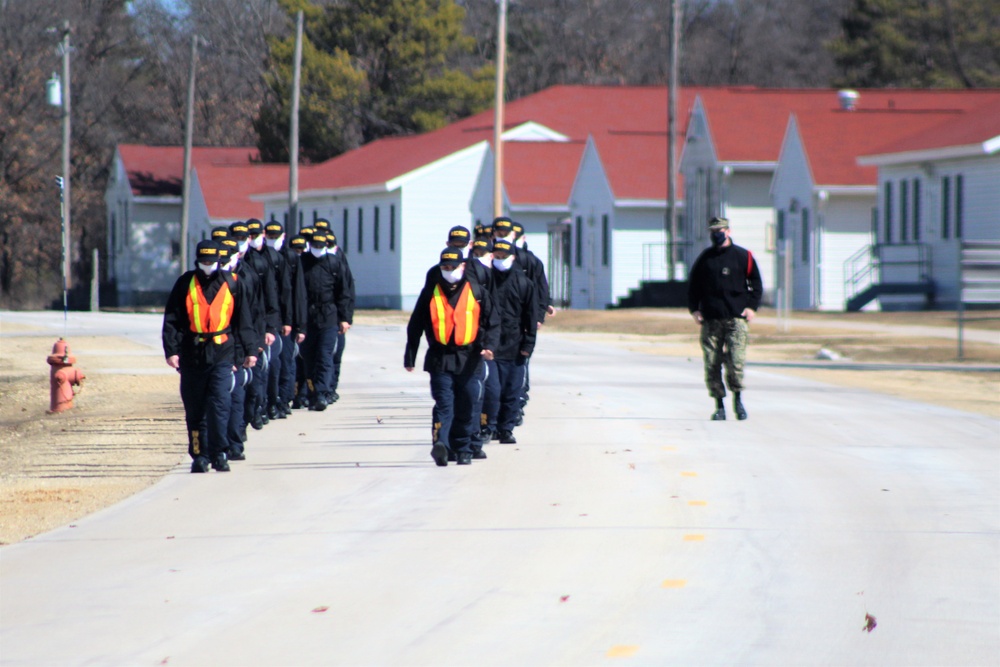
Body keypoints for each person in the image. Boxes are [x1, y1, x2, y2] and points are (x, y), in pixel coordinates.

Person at [162, 240, 256, 473]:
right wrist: (171, 351)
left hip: (222, 352)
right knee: (195, 409)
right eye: (203, 261)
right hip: (192, 353)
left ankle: (219, 453)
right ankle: (199, 455)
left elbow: (243, 321)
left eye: (211, 261)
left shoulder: (233, 283)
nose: (207, 265)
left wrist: (249, 351)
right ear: (197, 261)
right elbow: (172, 319)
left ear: (218, 261)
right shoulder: (185, 283)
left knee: (220, 405)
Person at [404, 248, 499, 466]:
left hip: (470, 358)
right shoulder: (430, 292)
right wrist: (410, 356)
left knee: (467, 403)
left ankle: (463, 448)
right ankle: (441, 444)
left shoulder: (477, 291)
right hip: (440, 357)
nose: (449, 271)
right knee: (444, 403)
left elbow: (493, 322)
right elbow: (415, 324)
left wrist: (489, 346)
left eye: (453, 267)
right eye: (445, 267)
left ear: (462, 266)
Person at [687, 216, 763, 421]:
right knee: (712, 363)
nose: (716, 235)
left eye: (720, 231)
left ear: (728, 231)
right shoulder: (705, 259)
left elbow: (756, 284)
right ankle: (719, 406)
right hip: (711, 319)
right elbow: (693, 287)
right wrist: (695, 310)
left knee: (736, 363)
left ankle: (738, 401)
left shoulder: (743, 256)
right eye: (713, 232)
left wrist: (751, 307)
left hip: (736, 319)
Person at [483, 238, 536, 444]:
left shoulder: (524, 283)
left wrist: (528, 345)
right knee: (492, 391)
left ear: (512, 257)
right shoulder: (486, 281)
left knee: (512, 391)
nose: (500, 259)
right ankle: (489, 427)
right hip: (491, 347)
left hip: (515, 346)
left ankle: (506, 429)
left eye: (504, 256)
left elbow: (531, 317)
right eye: (497, 256)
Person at [299, 232, 352, 411]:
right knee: (308, 357)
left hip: (329, 315)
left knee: (324, 355)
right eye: (315, 246)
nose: (318, 249)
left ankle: (322, 393)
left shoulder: (334, 263)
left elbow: (343, 292)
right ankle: (312, 392)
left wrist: (344, 318)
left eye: (321, 247)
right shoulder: (302, 263)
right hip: (307, 316)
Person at [265, 221, 306, 419]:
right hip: (267, 319)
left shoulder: (290, 257)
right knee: (271, 365)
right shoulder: (261, 256)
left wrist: (295, 323)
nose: (273, 240)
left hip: (285, 320)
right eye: (270, 237)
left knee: (286, 362)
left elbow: (295, 293)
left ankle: (283, 400)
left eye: (276, 237)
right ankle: (270, 402)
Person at [323, 225, 354, 404]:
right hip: (318, 317)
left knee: (334, 355)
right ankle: (321, 390)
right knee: (321, 356)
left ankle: (330, 388)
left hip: (335, 317)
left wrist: (346, 318)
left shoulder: (339, 262)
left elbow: (347, 292)